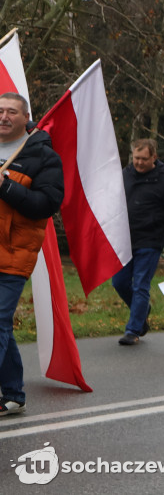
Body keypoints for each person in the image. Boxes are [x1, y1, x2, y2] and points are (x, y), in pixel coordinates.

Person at [0, 93, 63, 417]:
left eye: (12, 111)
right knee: (2, 325)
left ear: (26, 117)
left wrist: (6, 185)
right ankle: (12, 393)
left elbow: (45, 205)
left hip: (13, 254)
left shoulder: (43, 155)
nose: (4, 116)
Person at [112, 138, 164, 345]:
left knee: (141, 284)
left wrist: (159, 232)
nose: (140, 163)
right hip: (125, 240)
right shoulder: (123, 176)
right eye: (136, 158)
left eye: (144, 159)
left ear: (154, 157)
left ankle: (133, 330)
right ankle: (142, 312)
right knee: (120, 282)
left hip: (150, 241)